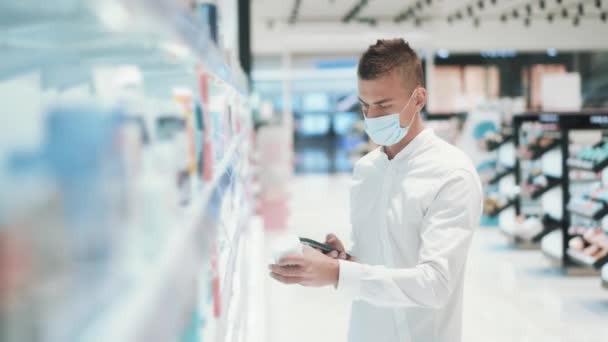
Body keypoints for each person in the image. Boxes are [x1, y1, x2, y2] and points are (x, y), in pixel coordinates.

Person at [269, 38, 483, 342]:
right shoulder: (367, 170)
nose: (372, 116)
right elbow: (377, 261)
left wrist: (337, 274)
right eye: (364, 105)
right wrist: (344, 260)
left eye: (383, 106)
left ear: (419, 99)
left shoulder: (451, 174)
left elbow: (435, 285)